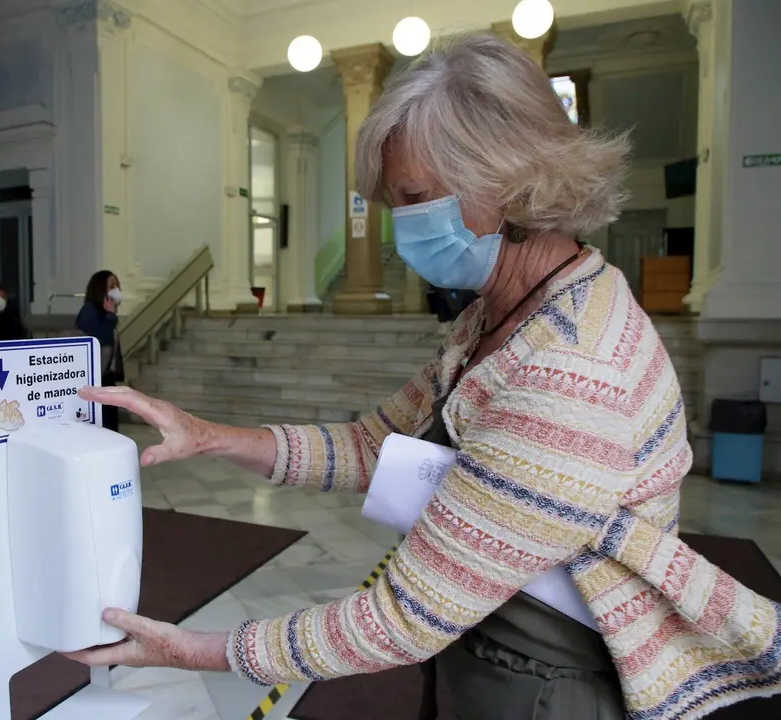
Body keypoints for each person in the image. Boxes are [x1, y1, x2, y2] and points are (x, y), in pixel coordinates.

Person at [65, 33, 781, 719]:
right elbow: (378, 447)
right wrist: (208, 436)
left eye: (411, 199)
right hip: (483, 641)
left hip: (543, 685)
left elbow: (401, 617)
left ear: (504, 180)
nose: (397, 226)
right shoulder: (503, 312)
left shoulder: (569, 370)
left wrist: (192, 650)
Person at [77, 270, 125, 432]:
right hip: (95, 380)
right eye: (111, 286)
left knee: (111, 426)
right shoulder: (89, 311)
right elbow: (100, 340)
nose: (116, 290)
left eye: (117, 286)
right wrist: (111, 316)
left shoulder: (107, 314)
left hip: (106, 379)